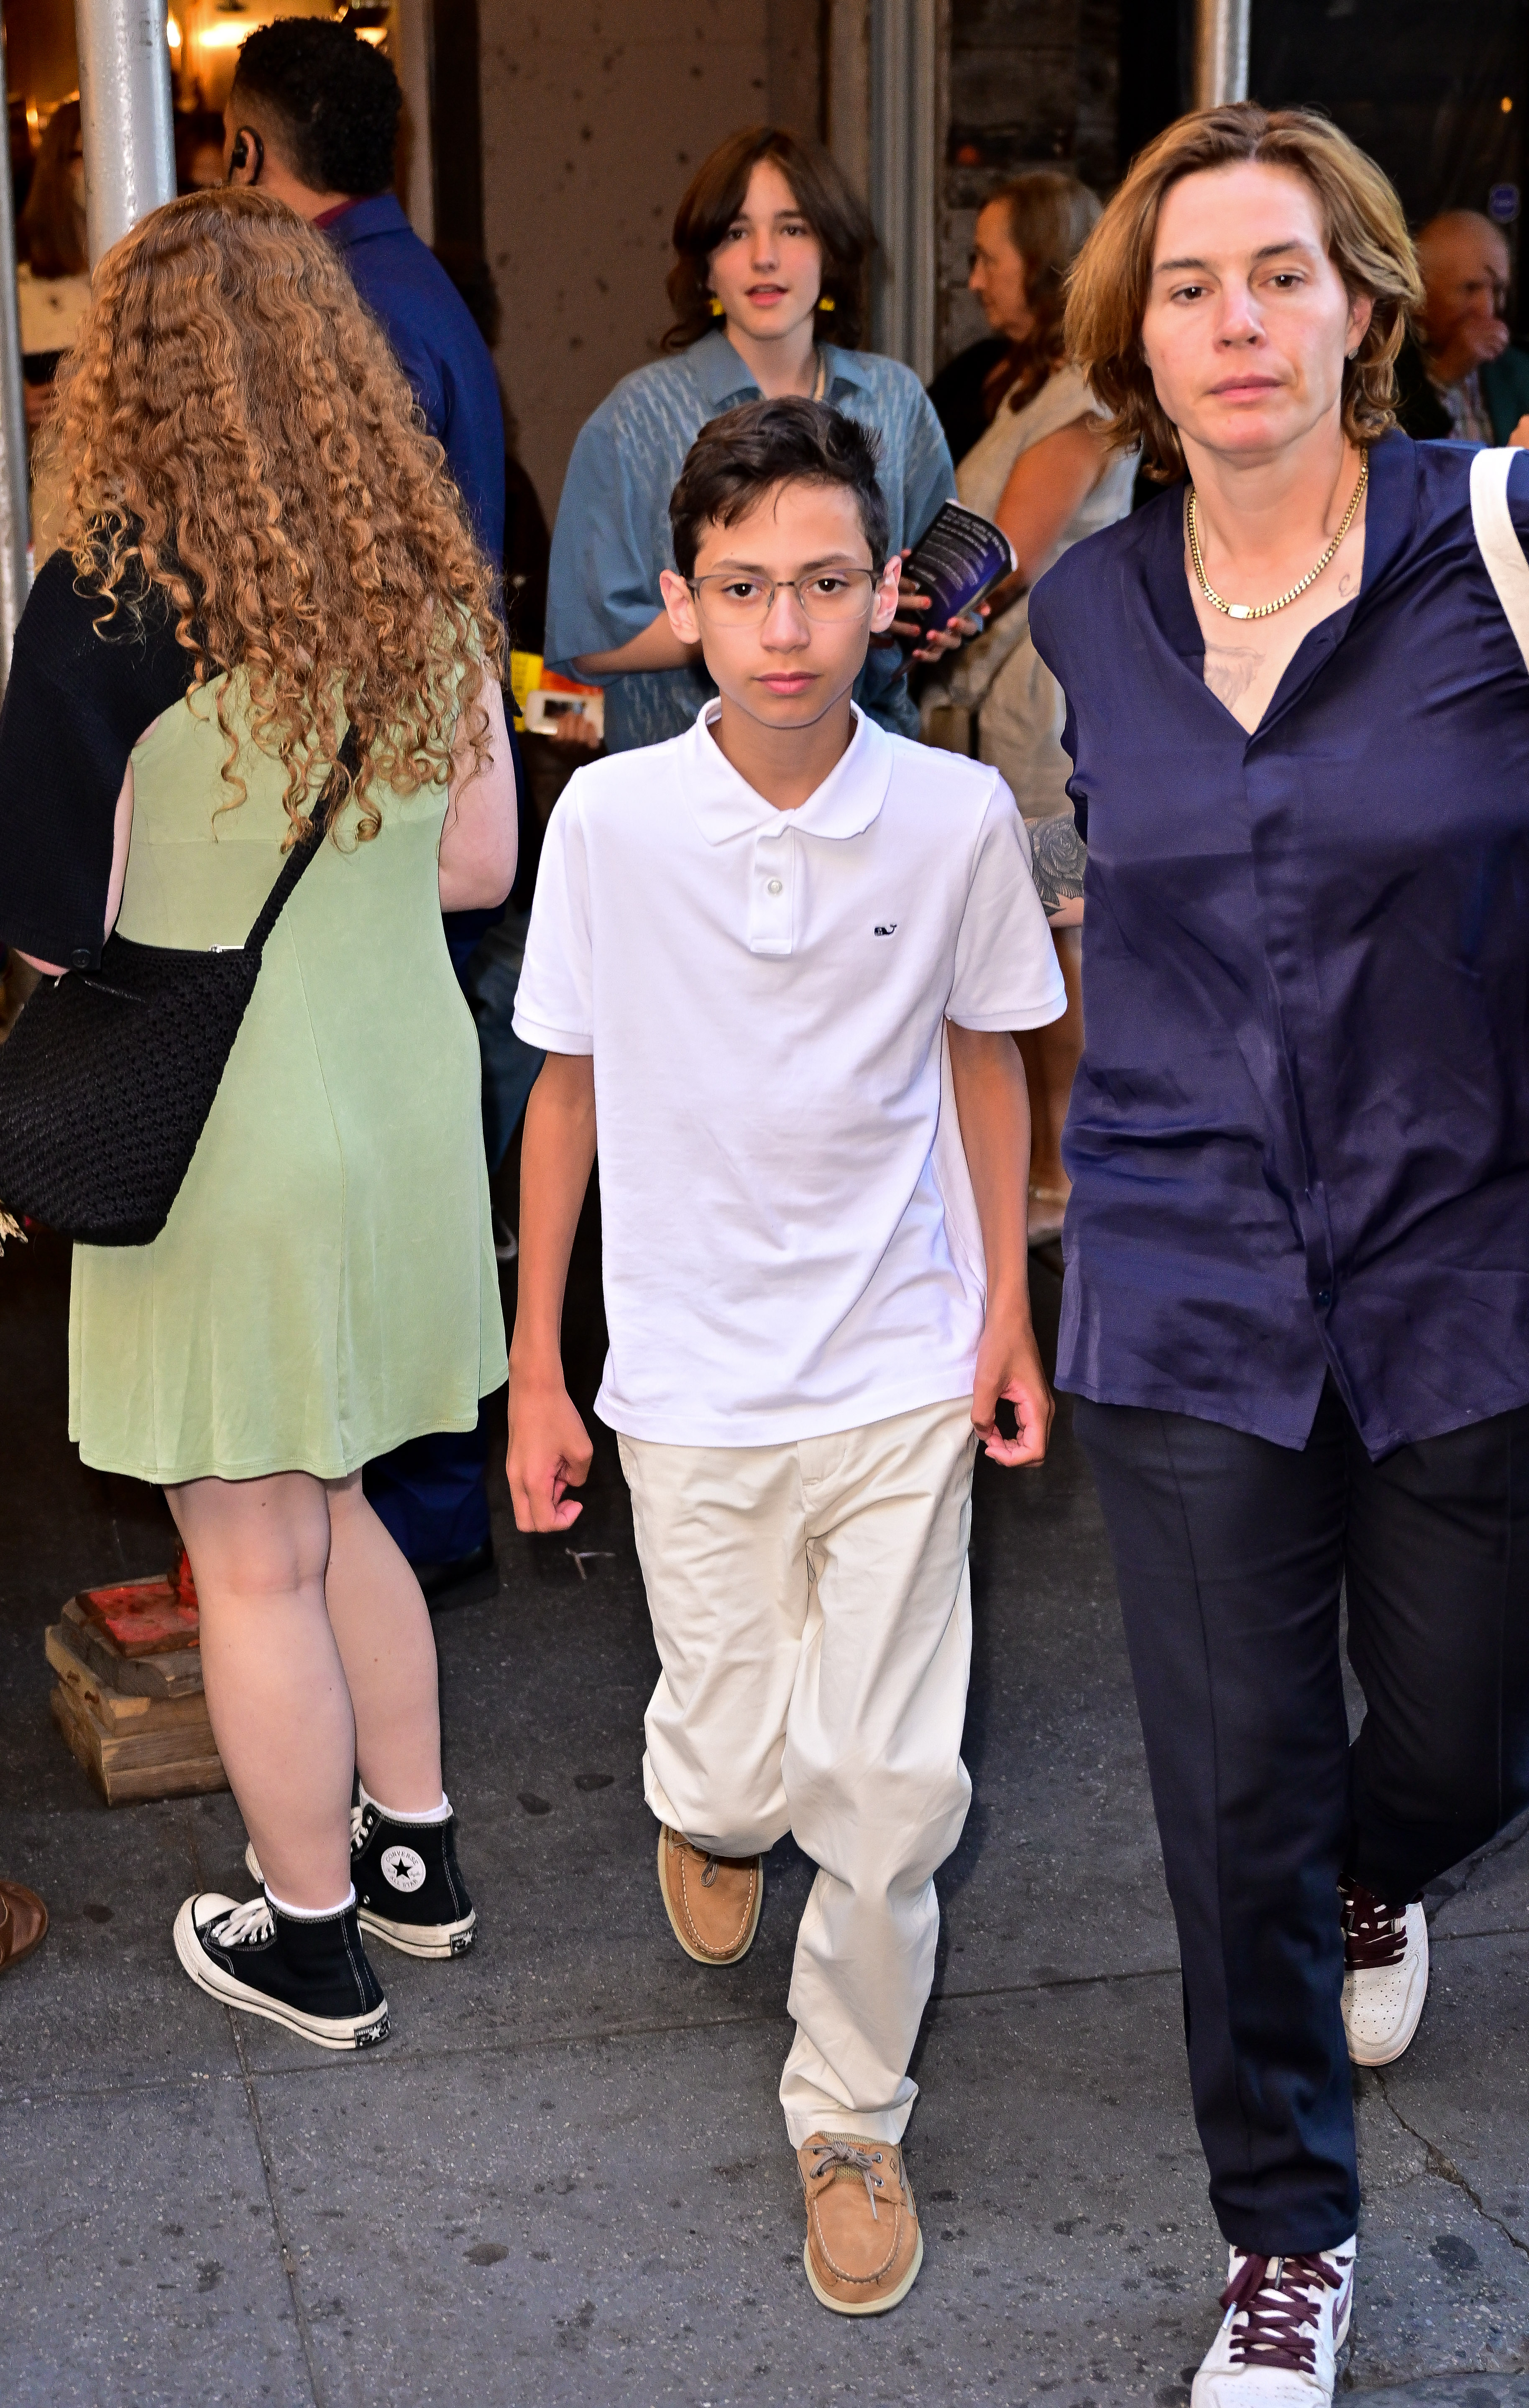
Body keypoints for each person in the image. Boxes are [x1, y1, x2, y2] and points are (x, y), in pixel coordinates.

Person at [1029, 101, 1529, 2402]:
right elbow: (1092, 887)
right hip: (1184, 1255)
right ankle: (1286, 2239)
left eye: (1282, 274)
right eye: (1191, 283)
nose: (1238, 323)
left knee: (1455, 1727)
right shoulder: (1087, 604)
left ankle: (1374, 1861)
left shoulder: (1493, 548)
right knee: (1230, 1775)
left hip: (1468, 1240)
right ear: (1138, 335)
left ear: (1365, 306)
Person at [509, 395, 1066, 2313]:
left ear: (887, 592)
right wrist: (534, 1366)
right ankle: (704, 1789)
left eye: (829, 583)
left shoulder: (956, 810)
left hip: (900, 1364)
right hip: (687, 1380)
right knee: (750, 1750)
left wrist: (1003, 1305)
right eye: (743, 590)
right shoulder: (614, 818)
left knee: (896, 1782)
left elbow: (985, 1055)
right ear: (683, 601)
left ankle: (850, 2113)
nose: (788, 629)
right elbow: (564, 1092)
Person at [0, 189, 516, 2048]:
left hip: (217, 1124)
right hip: (399, 1096)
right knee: (343, 1492)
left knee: (245, 1546)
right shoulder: (422, 575)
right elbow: (481, 861)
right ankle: (416, 1856)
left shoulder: (107, 606)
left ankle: (309, 1934)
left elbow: (56, 927)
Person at [225, 15, 510, 1605]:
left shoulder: (342, 313)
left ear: (252, 155)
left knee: (387, 1190)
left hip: (380, 811)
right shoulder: (427, 294)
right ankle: (411, 1508)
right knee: (410, 1172)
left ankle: (410, 1518)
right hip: (420, 789)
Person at [545, 125, 972, 754]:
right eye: (736, 233)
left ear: (831, 252)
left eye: (793, 229)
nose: (764, 257)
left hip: (867, 764)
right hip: (681, 783)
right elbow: (588, 641)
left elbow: (937, 581)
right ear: (706, 268)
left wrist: (926, 623)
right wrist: (806, 610)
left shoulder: (896, 400)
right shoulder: (633, 419)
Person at [928, 171, 1138, 1243]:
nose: (972, 280)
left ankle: (1062, 1172)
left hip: (1042, 713)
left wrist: (907, 601)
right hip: (989, 703)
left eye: (989, 260)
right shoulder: (1023, 383)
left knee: (1059, 939)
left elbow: (1004, 556)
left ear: (1047, 269)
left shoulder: (1086, 399)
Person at [1393, 209, 1529, 444]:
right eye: (1470, 289)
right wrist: (1443, 376)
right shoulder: (1382, 370)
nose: (1487, 309)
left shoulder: (1518, 369)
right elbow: (1393, 456)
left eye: (1498, 290)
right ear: (1419, 295)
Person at [16, 99, 91, 440]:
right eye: (88, 156)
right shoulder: (20, 288)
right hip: (50, 476)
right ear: (59, 166)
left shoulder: (148, 272)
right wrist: (15, 407)